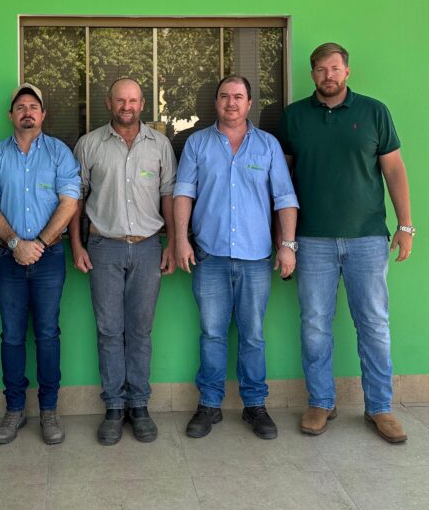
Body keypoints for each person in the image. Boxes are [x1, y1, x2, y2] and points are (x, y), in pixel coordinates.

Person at [278, 42, 414, 444]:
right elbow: (283, 184)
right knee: (315, 325)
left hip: (368, 240)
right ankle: (321, 402)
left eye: (334, 68)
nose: (328, 76)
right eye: (320, 69)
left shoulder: (375, 112)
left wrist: (406, 226)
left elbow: (394, 170)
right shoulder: (294, 117)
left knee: (373, 324)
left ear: (347, 71)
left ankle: (380, 408)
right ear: (312, 74)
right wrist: (283, 239)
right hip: (312, 239)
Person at [174, 76, 298, 440]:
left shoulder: (268, 146)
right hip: (209, 255)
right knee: (211, 333)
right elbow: (183, 194)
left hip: (256, 258)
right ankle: (210, 405)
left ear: (249, 104)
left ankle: (255, 405)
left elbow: (285, 198)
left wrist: (287, 245)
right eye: (225, 96)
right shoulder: (197, 144)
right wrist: (180, 240)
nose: (231, 102)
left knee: (253, 335)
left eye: (238, 97)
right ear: (216, 102)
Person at [69, 78, 177, 445]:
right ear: (108, 102)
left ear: (142, 103)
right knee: (109, 331)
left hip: (148, 248)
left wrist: (173, 244)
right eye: (120, 100)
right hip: (104, 246)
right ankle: (114, 406)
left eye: (132, 100)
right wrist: (77, 246)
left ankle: (140, 405)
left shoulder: (159, 145)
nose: (126, 106)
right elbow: (76, 200)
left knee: (141, 331)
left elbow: (169, 197)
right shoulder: (89, 145)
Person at [0, 83, 80, 446]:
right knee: (12, 335)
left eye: (33, 106)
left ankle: (49, 410)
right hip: (8, 258)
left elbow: (69, 203)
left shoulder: (59, 153)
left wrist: (38, 244)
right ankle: (15, 409)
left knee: (48, 333)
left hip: (49, 258)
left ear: (43, 115)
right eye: (20, 106)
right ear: (11, 115)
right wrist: (16, 243)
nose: (27, 112)